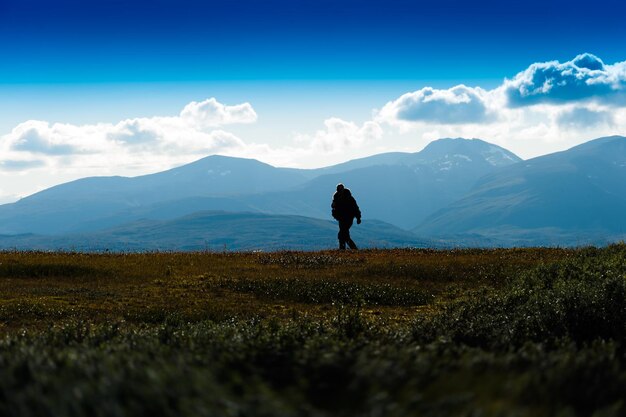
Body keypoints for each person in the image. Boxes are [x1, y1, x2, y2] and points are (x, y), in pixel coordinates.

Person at [331, 183, 361, 250]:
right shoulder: (336, 197)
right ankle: (350, 249)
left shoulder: (349, 198)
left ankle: (345, 249)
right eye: (338, 190)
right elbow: (333, 206)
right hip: (341, 218)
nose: (339, 191)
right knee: (344, 234)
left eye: (340, 189)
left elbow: (355, 208)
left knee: (342, 233)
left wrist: (358, 217)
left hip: (348, 218)